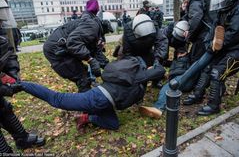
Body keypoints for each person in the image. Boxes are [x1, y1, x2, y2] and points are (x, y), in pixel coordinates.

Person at [19, 56, 165, 130]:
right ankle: (21, 84)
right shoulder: (139, 75)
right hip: (97, 98)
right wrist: (155, 65)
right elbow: (160, 71)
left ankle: (86, 118)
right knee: (57, 99)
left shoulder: (129, 72)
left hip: (106, 102)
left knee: (113, 124)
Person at [138, 0, 213, 118]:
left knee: (171, 85)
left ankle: (158, 108)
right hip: (187, 71)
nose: (184, 2)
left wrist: (189, 36)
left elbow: (195, 17)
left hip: (185, 76)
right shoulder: (201, 0)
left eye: (185, 0)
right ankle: (195, 94)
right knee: (194, 70)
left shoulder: (196, 0)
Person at [184, 0, 239, 115]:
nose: (220, 2)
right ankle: (198, 95)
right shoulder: (223, 10)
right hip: (222, 48)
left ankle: (214, 105)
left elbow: (235, 34)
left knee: (217, 72)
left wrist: (217, 45)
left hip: (238, 50)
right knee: (206, 68)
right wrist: (209, 43)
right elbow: (213, 29)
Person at [0, 0, 45, 153]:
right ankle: (4, 151)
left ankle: (22, 138)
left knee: (4, 109)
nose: (1, 22)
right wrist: (5, 88)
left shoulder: (1, 38)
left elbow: (9, 55)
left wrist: (13, 73)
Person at [43, 0, 112, 93]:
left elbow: (95, 50)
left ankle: (86, 100)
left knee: (84, 72)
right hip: (56, 50)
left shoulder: (91, 25)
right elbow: (73, 42)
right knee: (83, 78)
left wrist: (108, 67)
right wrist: (90, 60)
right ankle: (86, 105)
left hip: (61, 47)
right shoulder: (92, 26)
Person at [119, 14, 168, 88]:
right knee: (135, 67)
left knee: (156, 63)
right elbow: (127, 52)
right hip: (134, 52)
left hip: (148, 50)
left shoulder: (154, 25)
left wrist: (158, 59)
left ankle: (156, 80)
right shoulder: (128, 29)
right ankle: (138, 84)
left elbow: (162, 42)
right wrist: (137, 63)